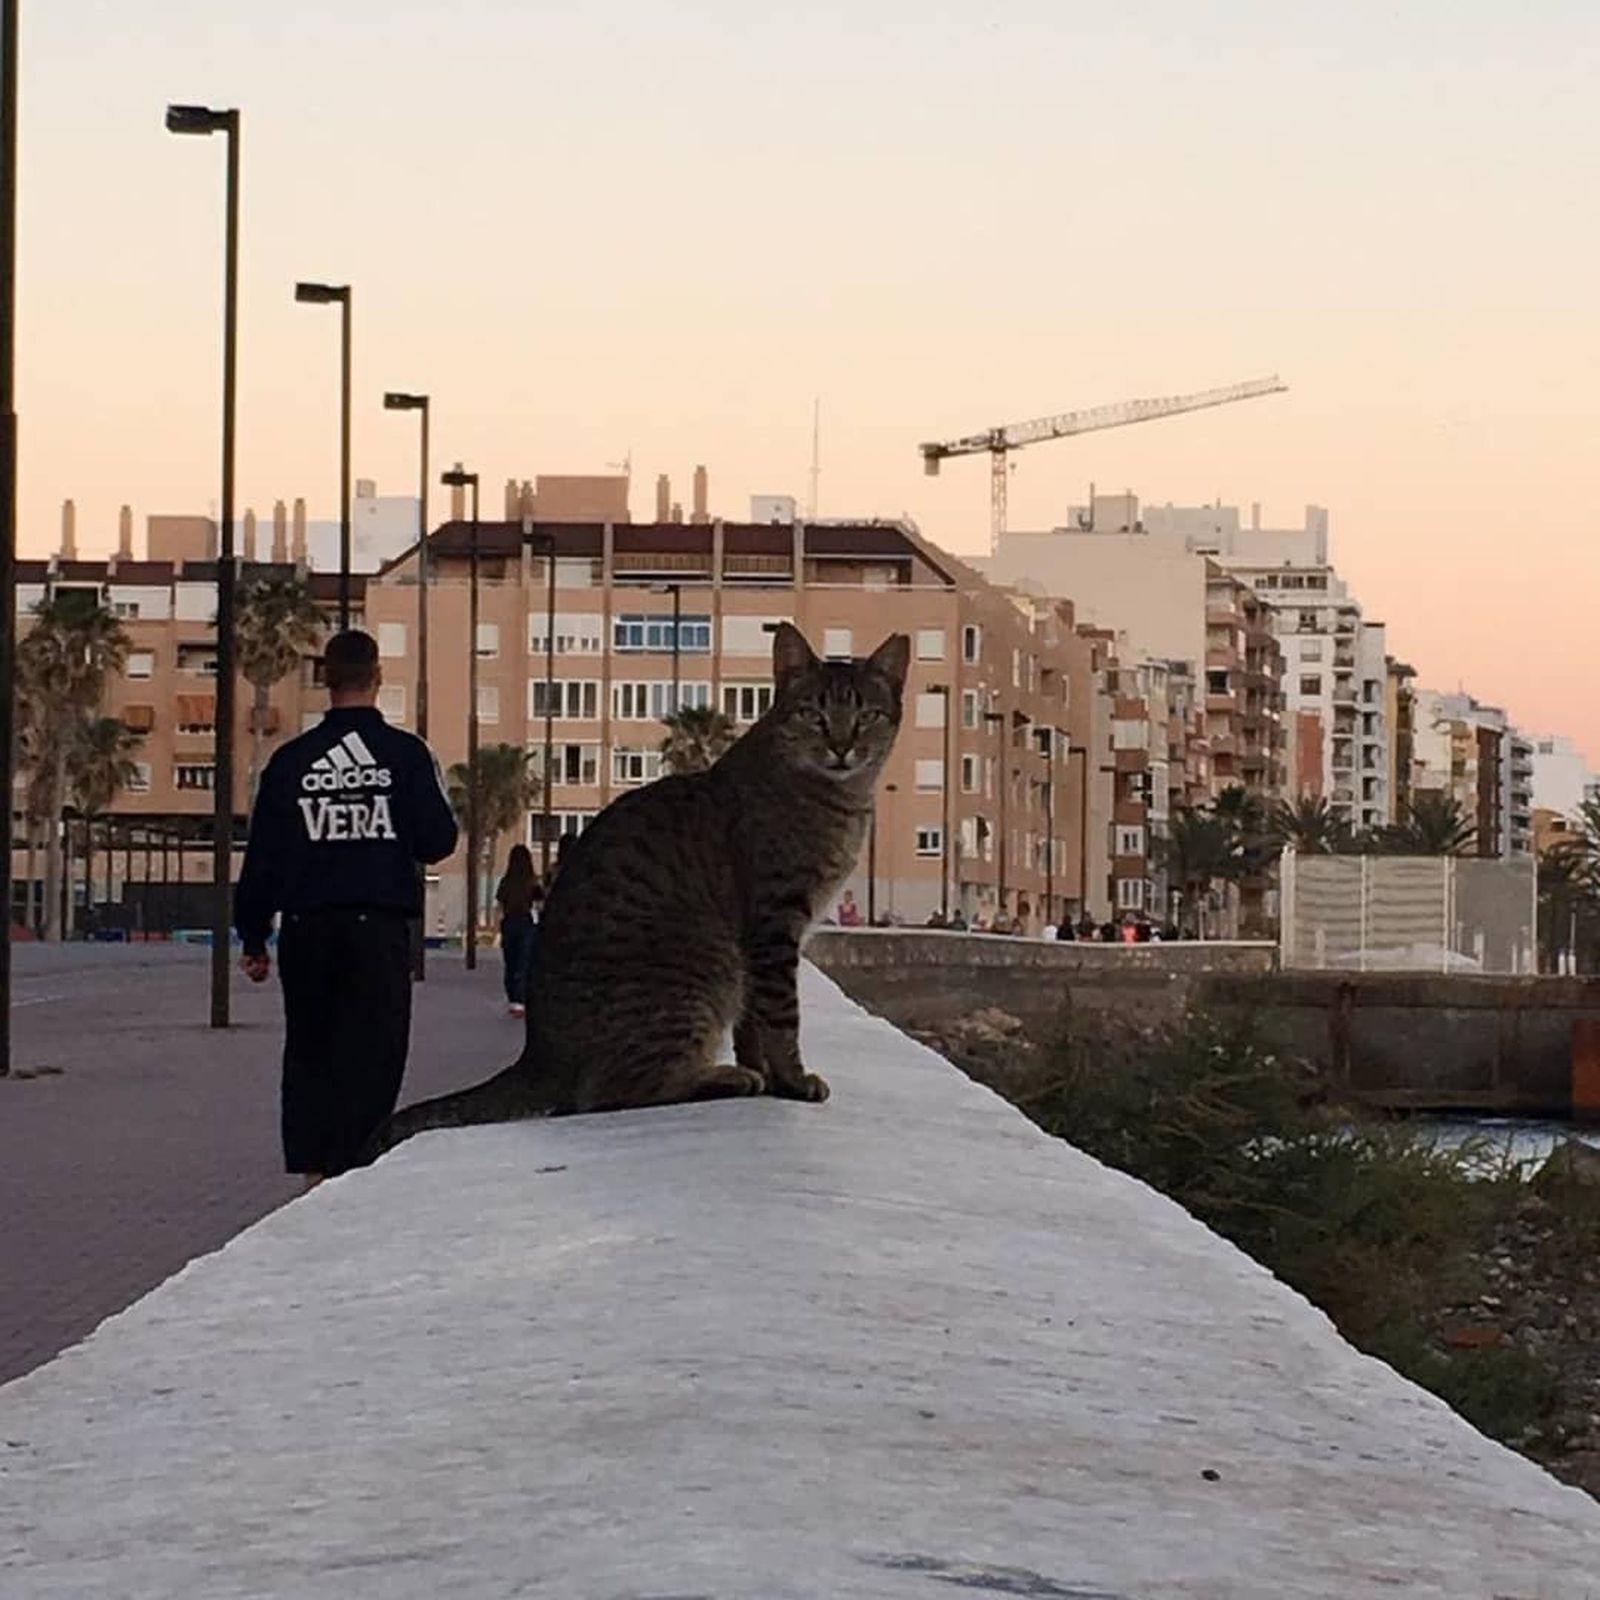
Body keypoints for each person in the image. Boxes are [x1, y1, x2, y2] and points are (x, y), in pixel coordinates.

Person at [235, 629, 459, 1187]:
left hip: (308, 929)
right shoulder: (405, 755)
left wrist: (256, 936)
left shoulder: (290, 763)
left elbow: (262, 855)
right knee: (375, 1052)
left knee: (310, 1050)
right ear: (377, 678)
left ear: (324, 680)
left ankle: (314, 1173)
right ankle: (358, 1168)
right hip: (377, 928)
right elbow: (438, 839)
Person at [495, 843, 539, 1019]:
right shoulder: (532, 882)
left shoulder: (506, 882)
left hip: (509, 923)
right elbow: (539, 904)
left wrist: (497, 925)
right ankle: (520, 1001)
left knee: (510, 962)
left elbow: (499, 905)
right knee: (524, 961)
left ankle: (513, 997)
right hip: (526, 923)